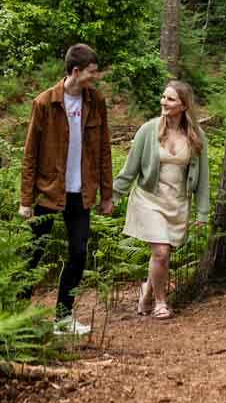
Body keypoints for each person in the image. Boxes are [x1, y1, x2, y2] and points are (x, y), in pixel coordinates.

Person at [19, 43, 114, 336]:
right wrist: (26, 200)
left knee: (79, 253)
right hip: (49, 191)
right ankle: (14, 316)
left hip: (81, 193)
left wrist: (106, 194)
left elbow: (103, 150)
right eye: (92, 72)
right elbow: (30, 154)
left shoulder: (96, 102)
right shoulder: (45, 103)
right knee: (34, 254)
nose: (95, 77)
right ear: (76, 71)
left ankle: (63, 317)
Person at [114, 79, 210, 319]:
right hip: (149, 199)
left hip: (177, 202)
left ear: (184, 106)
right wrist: (113, 195)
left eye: (170, 99)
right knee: (161, 252)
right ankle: (160, 302)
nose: (163, 102)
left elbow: (203, 177)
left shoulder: (196, 136)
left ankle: (147, 290)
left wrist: (202, 211)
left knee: (163, 252)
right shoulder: (148, 130)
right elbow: (130, 168)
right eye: (163, 97)